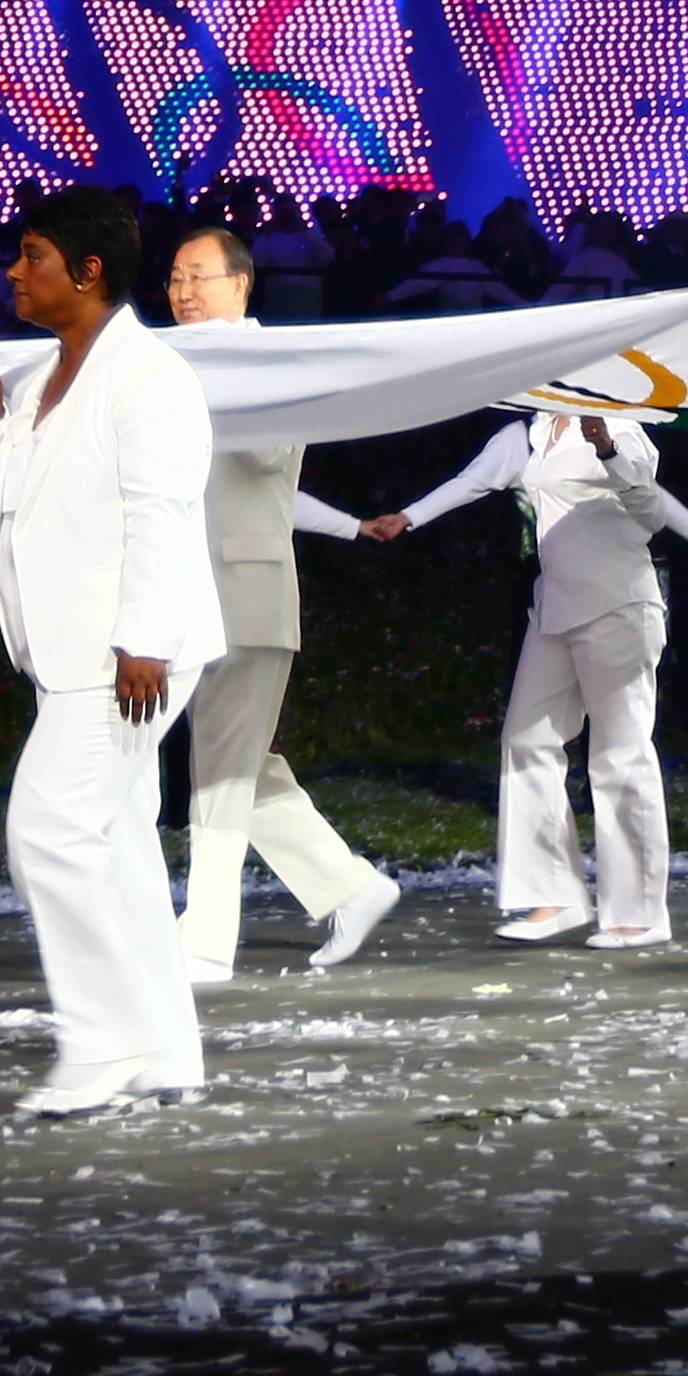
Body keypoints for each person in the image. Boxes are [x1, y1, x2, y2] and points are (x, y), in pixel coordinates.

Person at [0, 186, 225, 1113]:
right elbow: (21, 500)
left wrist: (142, 640)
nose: (13, 273)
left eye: (32, 256)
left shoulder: (148, 377)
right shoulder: (46, 378)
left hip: (125, 657)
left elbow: (163, 517)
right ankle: (167, 1053)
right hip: (74, 653)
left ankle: (102, 1044)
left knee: (48, 834)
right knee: (113, 847)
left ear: (89, 271)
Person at [375, 394, 688, 950]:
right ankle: (555, 896)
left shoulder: (624, 426)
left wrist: (604, 448)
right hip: (553, 609)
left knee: (620, 754)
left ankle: (640, 912)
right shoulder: (527, 434)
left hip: (619, 605)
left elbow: (651, 512)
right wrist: (408, 517)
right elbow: (471, 481)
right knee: (526, 740)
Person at [154, 218, 400, 977]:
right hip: (193, 596)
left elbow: (267, 455)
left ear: (240, 284)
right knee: (240, 765)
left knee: (221, 771)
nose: (184, 291)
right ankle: (351, 888)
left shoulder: (267, 361)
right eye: (175, 278)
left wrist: (204, 383)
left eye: (199, 276)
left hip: (248, 592)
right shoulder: (171, 364)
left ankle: (205, 938)